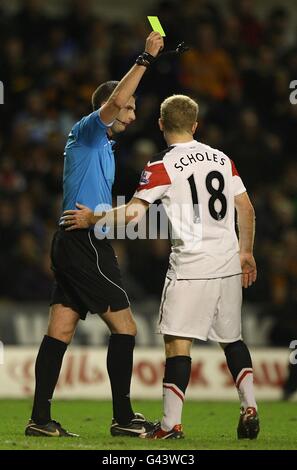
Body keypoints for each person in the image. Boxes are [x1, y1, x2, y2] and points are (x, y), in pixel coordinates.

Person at [62, 94, 259, 440]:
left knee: (177, 345)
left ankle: (170, 425)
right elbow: (246, 208)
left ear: (161, 125)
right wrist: (246, 252)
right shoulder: (222, 159)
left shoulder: (162, 164)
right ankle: (250, 406)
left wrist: (94, 217)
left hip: (190, 268)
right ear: (196, 125)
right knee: (232, 340)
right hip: (228, 262)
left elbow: (136, 214)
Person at [25, 31, 164, 438]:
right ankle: (123, 418)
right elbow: (118, 100)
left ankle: (40, 419)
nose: (133, 115)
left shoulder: (102, 145)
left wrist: (108, 219)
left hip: (76, 240)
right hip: (83, 243)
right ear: (110, 105)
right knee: (126, 329)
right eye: (130, 108)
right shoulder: (86, 131)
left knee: (60, 331)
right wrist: (146, 57)